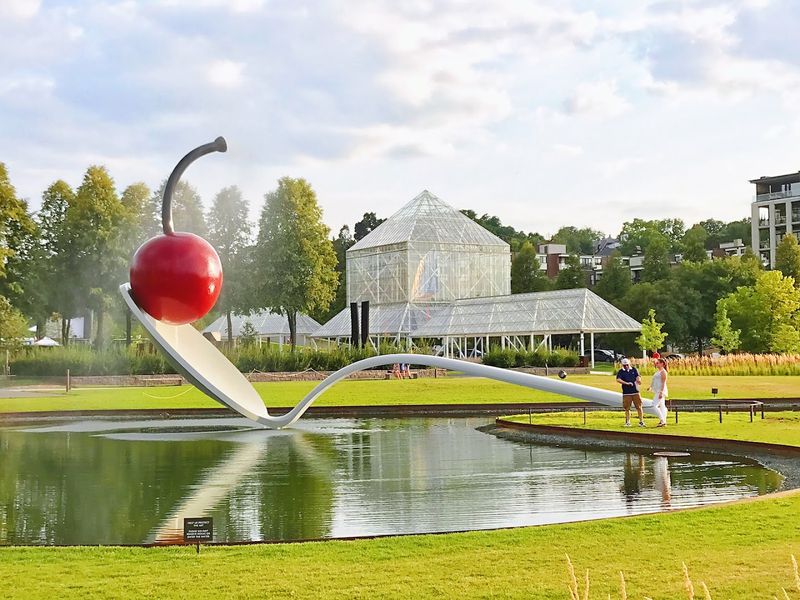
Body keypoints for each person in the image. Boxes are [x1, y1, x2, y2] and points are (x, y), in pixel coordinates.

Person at [616, 358, 644, 427]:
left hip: (635, 391)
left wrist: (638, 380)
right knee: (627, 408)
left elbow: (638, 376)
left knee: (639, 407)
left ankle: (641, 421)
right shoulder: (621, 371)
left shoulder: (634, 369)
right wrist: (626, 383)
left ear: (629, 364)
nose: (626, 366)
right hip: (626, 393)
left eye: (627, 365)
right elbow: (618, 379)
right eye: (624, 365)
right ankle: (628, 422)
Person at [648, 357, 669, 427]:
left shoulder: (663, 372)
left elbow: (663, 383)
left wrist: (661, 392)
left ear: (662, 364)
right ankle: (663, 421)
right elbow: (654, 380)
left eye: (658, 363)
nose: (656, 364)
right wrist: (651, 387)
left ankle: (662, 420)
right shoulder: (658, 371)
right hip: (657, 390)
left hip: (660, 391)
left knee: (654, 405)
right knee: (662, 406)